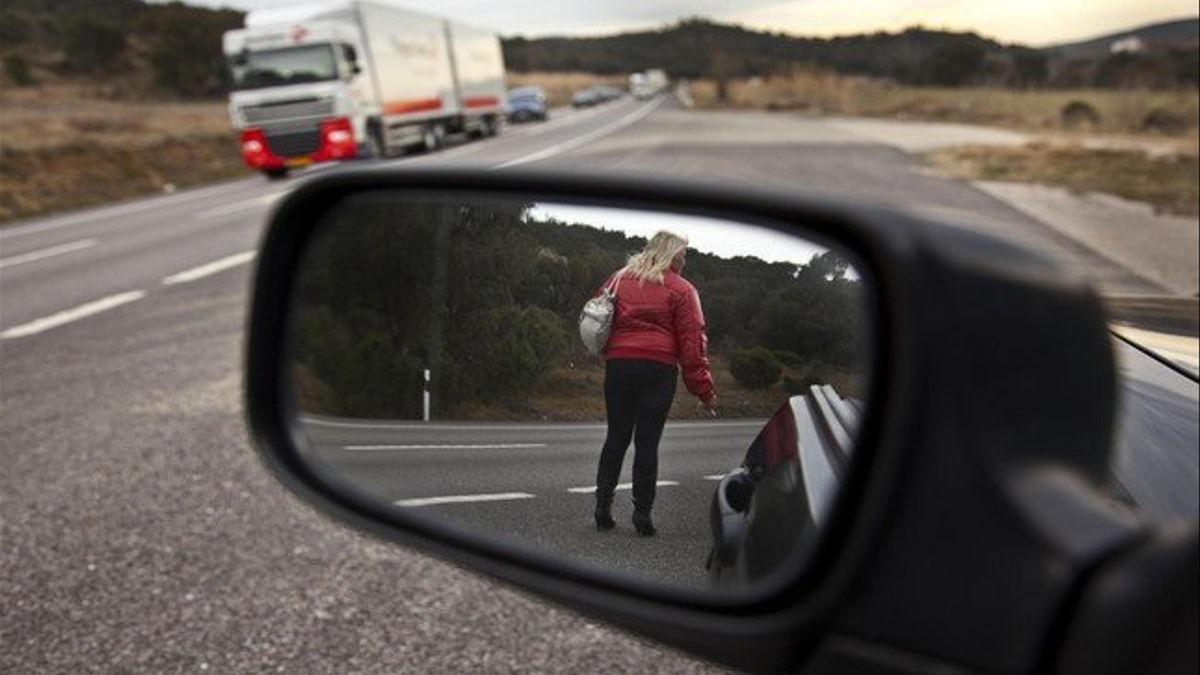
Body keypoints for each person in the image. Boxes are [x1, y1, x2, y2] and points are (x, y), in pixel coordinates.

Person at [593, 230, 717, 536]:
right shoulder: (683, 290)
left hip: (620, 365)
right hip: (658, 370)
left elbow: (598, 315)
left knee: (616, 436)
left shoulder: (618, 278)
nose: (684, 259)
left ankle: (602, 508)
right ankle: (642, 515)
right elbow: (692, 346)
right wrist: (704, 390)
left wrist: (609, 352)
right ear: (670, 253)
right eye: (682, 254)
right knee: (647, 442)